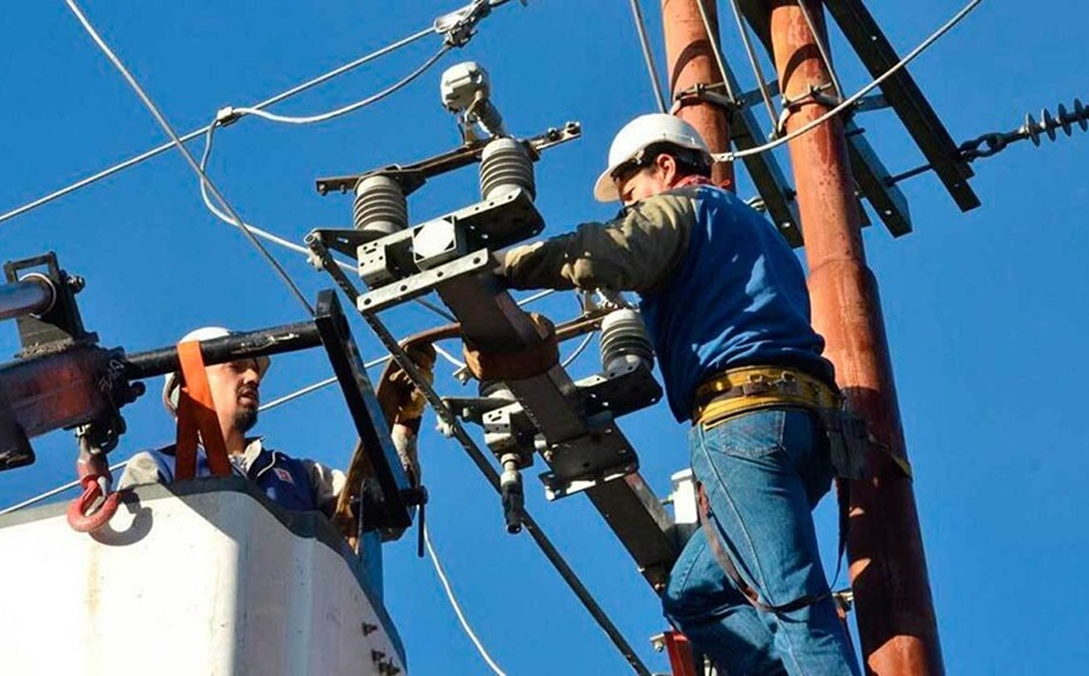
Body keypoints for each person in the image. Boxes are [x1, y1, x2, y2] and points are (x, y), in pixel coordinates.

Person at [493, 114, 860, 674]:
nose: (627, 208)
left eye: (631, 193)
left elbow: (610, 252)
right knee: (694, 594)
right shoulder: (755, 231)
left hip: (743, 423)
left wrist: (500, 267)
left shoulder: (683, 209)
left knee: (795, 603)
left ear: (665, 166)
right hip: (807, 433)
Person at [119, 327, 345, 515]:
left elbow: (360, 503)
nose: (253, 378)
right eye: (236, 367)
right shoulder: (155, 467)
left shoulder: (306, 476)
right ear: (191, 384)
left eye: (255, 370)